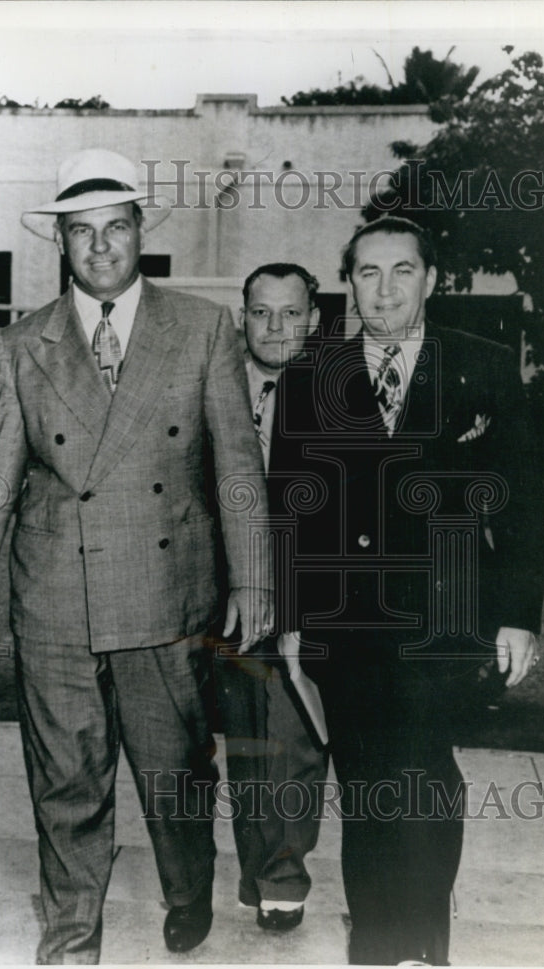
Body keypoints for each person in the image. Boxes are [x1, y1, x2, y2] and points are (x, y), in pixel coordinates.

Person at [0, 148, 272, 964]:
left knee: (175, 778)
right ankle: (71, 937)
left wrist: (254, 576)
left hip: (168, 597)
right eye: (81, 233)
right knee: (66, 782)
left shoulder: (201, 328)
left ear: (139, 232)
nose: (101, 248)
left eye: (115, 228)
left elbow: (236, 466)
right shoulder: (23, 345)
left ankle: (188, 889)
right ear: (62, 244)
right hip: (55, 600)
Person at [269, 217, 544, 965]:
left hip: (447, 620)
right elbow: (291, 503)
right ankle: (380, 951)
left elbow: (521, 500)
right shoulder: (310, 376)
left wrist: (519, 617)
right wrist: (292, 618)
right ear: (348, 282)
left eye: (401, 271)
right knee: (367, 785)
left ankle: (418, 944)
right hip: (346, 622)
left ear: (431, 280)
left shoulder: (483, 366)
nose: (384, 289)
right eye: (367, 273)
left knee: (424, 775)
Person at [215, 263, 329, 933]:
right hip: (228, 590)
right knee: (246, 741)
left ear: (312, 318)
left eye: (290, 313)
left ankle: (285, 878)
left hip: (303, 587)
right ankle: (257, 867)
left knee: (293, 740)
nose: (276, 326)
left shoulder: (337, 391)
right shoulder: (218, 382)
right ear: (243, 316)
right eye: (262, 312)